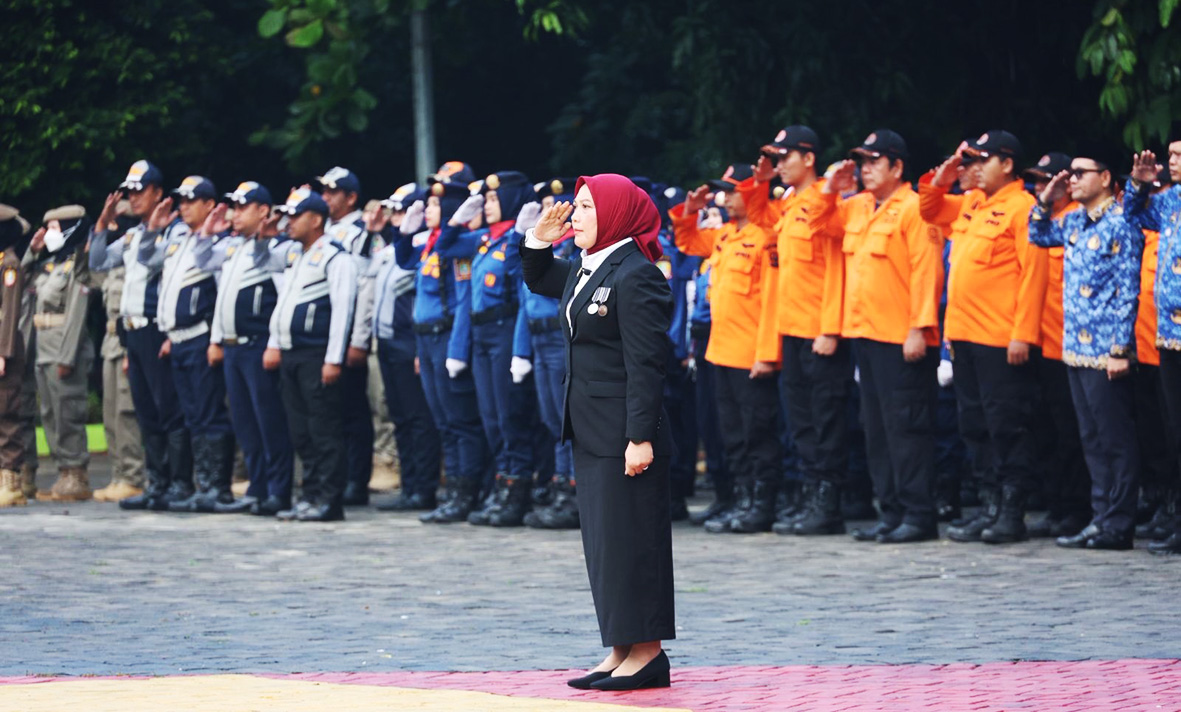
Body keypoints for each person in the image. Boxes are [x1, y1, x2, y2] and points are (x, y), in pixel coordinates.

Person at [522, 173, 674, 691]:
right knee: (606, 544)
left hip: (624, 434)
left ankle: (648, 652)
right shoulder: (591, 268)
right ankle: (620, 646)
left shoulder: (637, 274)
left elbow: (647, 364)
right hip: (589, 427)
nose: (576, 216)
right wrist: (539, 239)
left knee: (634, 540)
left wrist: (641, 436)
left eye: (587, 207)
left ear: (615, 215)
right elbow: (540, 277)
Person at [804, 129, 943, 544]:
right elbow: (817, 224)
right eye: (861, 161)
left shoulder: (914, 207)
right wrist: (830, 187)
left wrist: (920, 327)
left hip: (902, 337)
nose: (865, 169)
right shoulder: (857, 206)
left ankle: (919, 514)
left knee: (907, 428)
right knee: (876, 427)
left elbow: (927, 271)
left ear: (898, 167)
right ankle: (891, 510)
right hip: (864, 332)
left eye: (874, 161)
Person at [921, 131, 1047, 544]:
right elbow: (930, 208)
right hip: (964, 336)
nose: (972, 169)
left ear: (1007, 164)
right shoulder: (973, 203)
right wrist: (946, 172)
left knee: (1006, 425)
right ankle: (989, 505)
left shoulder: (1024, 208)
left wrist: (1023, 334)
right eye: (969, 162)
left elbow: (1034, 277)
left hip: (1001, 337)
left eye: (981, 161)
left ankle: (1011, 511)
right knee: (973, 424)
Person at [740, 125, 854, 536]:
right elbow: (758, 218)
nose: (780, 164)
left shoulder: (829, 197)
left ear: (808, 158)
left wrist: (830, 328)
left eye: (785, 157)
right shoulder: (788, 203)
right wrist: (761, 181)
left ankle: (828, 502)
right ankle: (809, 498)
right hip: (791, 329)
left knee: (827, 420)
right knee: (802, 421)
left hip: (820, 333)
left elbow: (837, 269)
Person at [1030, 151, 1143, 550]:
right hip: (1075, 347)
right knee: (1091, 438)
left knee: (1115, 439)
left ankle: (1119, 522)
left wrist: (1119, 348)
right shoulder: (1074, 220)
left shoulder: (1122, 222)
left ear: (1106, 177)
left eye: (1081, 173)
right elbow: (1038, 235)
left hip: (1105, 350)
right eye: (1071, 173)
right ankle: (1101, 517)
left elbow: (1129, 291)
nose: (1073, 179)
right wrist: (1047, 198)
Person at [671, 164, 782, 534]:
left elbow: (771, 302)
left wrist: (766, 354)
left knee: (757, 432)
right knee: (731, 432)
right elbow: (687, 242)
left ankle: (761, 503)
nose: (725, 197)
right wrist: (689, 210)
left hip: (750, 353)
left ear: (752, 193)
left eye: (732, 191)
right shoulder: (725, 236)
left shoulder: (766, 236)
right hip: (719, 350)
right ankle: (741, 499)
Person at [435, 172, 539, 526]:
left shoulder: (520, 237)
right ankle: (502, 485)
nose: (488, 206)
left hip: (504, 328)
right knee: (491, 416)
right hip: (480, 333)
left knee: (511, 415)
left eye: (494, 199)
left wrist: (519, 235)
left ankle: (517, 491)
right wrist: (457, 219)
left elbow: (519, 272)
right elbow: (445, 248)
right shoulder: (482, 239)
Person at [89, 161, 192, 511]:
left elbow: (153, 263)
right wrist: (102, 225)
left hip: (156, 329)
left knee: (169, 410)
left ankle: (180, 483)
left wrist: (153, 231)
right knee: (146, 411)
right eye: (129, 192)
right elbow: (99, 262)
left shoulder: (175, 232)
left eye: (139, 191)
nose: (132, 198)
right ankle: (157, 483)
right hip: (132, 333)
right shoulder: (132, 235)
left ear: (158, 193)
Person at [393, 161, 488, 524]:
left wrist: (457, 350)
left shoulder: (460, 243)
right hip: (426, 340)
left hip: (449, 338)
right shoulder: (431, 242)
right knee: (443, 420)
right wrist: (404, 232)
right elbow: (404, 261)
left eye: (434, 204)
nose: (427, 209)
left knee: (461, 419)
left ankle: (466, 492)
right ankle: (453, 493)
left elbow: (463, 300)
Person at [198, 181, 296, 516]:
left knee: (269, 421)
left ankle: (278, 490)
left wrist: (275, 344)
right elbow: (206, 267)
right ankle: (257, 486)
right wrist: (206, 232)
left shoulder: (278, 247)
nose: (235, 215)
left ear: (263, 211)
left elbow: (285, 298)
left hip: (258, 345)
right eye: (234, 208)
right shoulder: (233, 247)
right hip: (233, 347)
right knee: (245, 423)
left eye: (243, 208)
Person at [139, 176, 236, 513]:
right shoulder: (180, 240)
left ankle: (217, 488)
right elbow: (145, 260)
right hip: (178, 340)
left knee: (209, 413)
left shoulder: (220, 242)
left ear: (210, 205)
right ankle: (201, 484)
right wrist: (153, 229)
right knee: (192, 416)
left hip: (201, 336)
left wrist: (217, 339)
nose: (183, 206)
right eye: (181, 199)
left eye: (191, 200)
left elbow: (224, 294)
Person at [266, 188, 358, 522]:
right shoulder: (296, 255)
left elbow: (343, 310)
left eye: (295, 215)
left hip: (317, 354)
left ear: (316, 220)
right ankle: (310, 494)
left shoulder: (336, 256)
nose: (288, 222)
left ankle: (329, 500)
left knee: (324, 430)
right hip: (292, 354)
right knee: (300, 431)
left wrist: (334, 359)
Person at [1023, 152, 1090, 538]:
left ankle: (1077, 507)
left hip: (1075, 342)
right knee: (1046, 429)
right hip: (1044, 341)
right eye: (1035, 180)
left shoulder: (1078, 223)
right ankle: (1056, 503)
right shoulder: (1047, 223)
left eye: (1048, 180)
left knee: (1072, 432)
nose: (1039, 187)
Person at [370, 183, 443, 513]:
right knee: (399, 417)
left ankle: (423, 488)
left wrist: (419, 349)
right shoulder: (395, 247)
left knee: (418, 419)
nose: (395, 217)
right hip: (387, 343)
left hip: (409, 343)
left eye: (401, 210)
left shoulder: (421, 248)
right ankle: (409, 483)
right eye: (394, 211)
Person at [1124, 145, 1181, 554]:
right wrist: (1139, 185)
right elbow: (1134, 215)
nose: (1172, 160)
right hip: (1168, 333)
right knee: (1174, 431)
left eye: (1180, 154)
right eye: (1171, 154)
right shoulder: (1171, 200)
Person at [522, 178, 580, 529]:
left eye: (554, 207)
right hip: (539, 340)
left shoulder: (575, 248)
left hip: (562, 339)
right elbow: (525, 302)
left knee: (565, 420)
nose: (548, 214)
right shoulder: (541, 248)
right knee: (550, 419)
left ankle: (573, 491)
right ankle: (561, 487)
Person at [25, 206, 95, 501]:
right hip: (43, 349)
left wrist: (67, 356)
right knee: (50, 413)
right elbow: (21, 284)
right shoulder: (48, 266)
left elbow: (77, 315)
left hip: (65, 350)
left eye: (54, 228)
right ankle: (63, 471)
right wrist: (32, 251)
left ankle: (75, 473)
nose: (48, 233)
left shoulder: (77, 266)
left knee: (69, 412)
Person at [317, 166, 376, 506]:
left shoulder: (362, 232)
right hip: (322, 333)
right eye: (323, 191)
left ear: (351, 197)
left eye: (332, 191)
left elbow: (363, 288)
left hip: (349, 328)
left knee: (353, 411)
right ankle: (336, 477)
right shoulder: (320, 230)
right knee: (329, 411)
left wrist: (357, 338)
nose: (326, 197)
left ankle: (357, 479)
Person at [92, 204, 147, 503]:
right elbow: (91, 266)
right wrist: (99, 226)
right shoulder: (115, 259)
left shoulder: (137, 257)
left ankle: (132, 475)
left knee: (127, 412)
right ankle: (118, 475)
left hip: (127, 338)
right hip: (110, 341)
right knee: (111, 412)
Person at [0, 204, 29, 507]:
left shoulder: (10, 264)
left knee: (7, 412)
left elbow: (9, 315)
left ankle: (12, 481)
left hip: (4, 349)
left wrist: (4, 353)